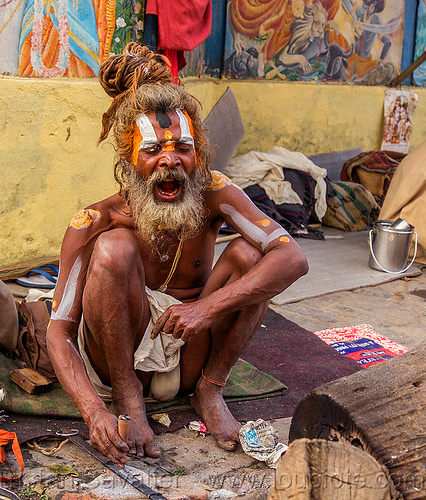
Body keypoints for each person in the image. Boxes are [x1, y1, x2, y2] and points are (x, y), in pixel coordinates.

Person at [46, 42, 308, 465]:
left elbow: (293, 257)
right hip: (119, 363)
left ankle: (210, 389)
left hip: (189, 354)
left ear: (198, 151)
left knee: (250, 256)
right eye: (152, 151)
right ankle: (129, 399)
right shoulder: (94, 221)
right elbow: (58, 331)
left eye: (182, 148)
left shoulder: (215, 192)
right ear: (129, 159)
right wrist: (94, 412)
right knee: (115, 247)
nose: (170, 162)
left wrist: (206, 309)